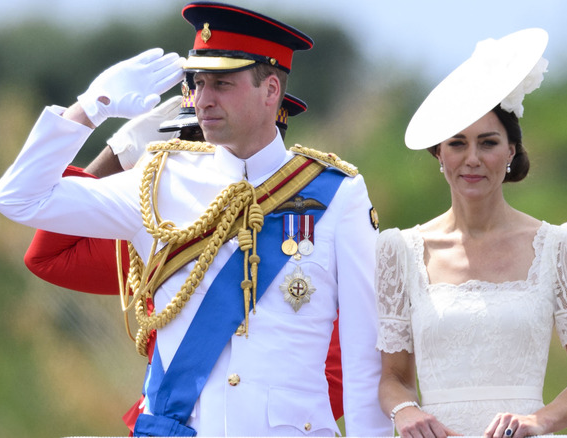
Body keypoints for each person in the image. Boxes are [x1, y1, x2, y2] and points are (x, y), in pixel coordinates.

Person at [0, 1, 390, 436]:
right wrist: (93, 106)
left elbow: (363, 357)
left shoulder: (338, 194)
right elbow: (19, 198)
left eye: (221, 83)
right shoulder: (157, 180)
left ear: (271, 90)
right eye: (197, 83)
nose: (202, 99)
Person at [21, 85, 347, 431]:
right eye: (180, 142)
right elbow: (49, 256)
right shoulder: (160, 232)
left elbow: (339, 374)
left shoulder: (311, 233)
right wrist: (118, 158)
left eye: (202, 145)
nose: (183, 159)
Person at [376, 28, 567, 438]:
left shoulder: (560, 245)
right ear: (439, 154)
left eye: (487, 143)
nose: (472, 159)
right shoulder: (400, 250)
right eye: (457, 143)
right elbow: (392, 378)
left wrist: (539, 420)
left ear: (511, 151)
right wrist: (406, 412)